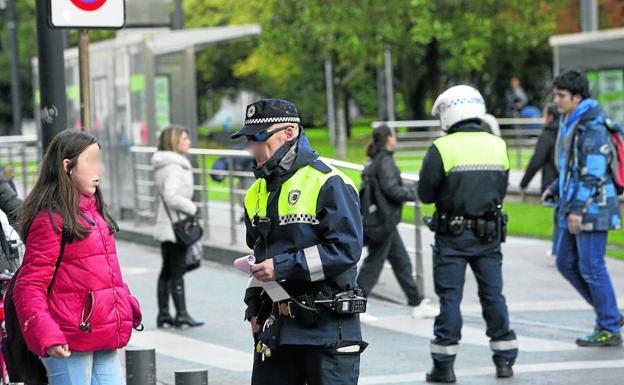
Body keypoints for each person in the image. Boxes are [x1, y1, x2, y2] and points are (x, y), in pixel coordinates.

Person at [233, 99, 366, 385]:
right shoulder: (256, 191)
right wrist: (253, 307)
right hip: (276, 327)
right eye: (248, 139)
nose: (252, 147)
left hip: (326, 328)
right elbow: (258, 256)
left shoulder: (329, 182)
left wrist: (281, 267)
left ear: (290, 132)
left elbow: (345, 250)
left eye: (258, 137)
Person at [13, 130, 142, 385]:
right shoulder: (50, 219)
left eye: (100, 160)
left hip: (101, 334)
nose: (100, 169)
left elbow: (101, 274)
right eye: (92, 160)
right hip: (67, 339)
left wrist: (125, 303)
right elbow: (29, 285)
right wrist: (46, 335)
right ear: (67, 166)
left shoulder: (94, 213)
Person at [419, 85, 518, 383]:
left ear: (448, 113)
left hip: (452, 237)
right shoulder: (498, 145)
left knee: (450, 299)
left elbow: (425, 194)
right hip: (489, 236)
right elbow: (501, 188)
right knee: (493, 296)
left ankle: (444, 366)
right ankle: (504, 361)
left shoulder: (442, 148)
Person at [542, 70, 623, 347]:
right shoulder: (572, 120)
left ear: (577, 97)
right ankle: (610, 313)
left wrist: (576, 208)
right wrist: (555, 187)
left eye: (561, 96)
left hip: (592, 207)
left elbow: (594, 173)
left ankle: (609, 326)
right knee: (565, 262)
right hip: (575, 205)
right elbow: (572, 167)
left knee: (591, 267)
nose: (557, 100)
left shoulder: (592, 126)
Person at [356, 124, 438, 319]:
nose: (396, 140)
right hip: (384, 221)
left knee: (401, 262)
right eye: (394, 136)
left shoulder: (375, 160)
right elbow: (391, 188)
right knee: (373, 265)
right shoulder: (385, 162)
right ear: (389, 138)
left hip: (383, 222)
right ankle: (355, 307)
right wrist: (413, 193)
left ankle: (416, 303)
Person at [152, 125, 204, 328]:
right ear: (174, 141)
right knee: (177, 270)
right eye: (184, 138)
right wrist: (191, 208)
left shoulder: (164, 164)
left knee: (167, 270)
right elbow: (171, 196)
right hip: (175, 226)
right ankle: (181, 314)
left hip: (167, 224)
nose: (188, 142)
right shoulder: (175, 167)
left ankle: (164, 314)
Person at [520, 103, 560, 266]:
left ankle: (558, 249)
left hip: (553, 182)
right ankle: (559, 249)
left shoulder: (548, 133)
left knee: (560, 217)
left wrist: (524, 183)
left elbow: (537, 160)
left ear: (549, 116)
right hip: (566, 180)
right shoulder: (568, 130)